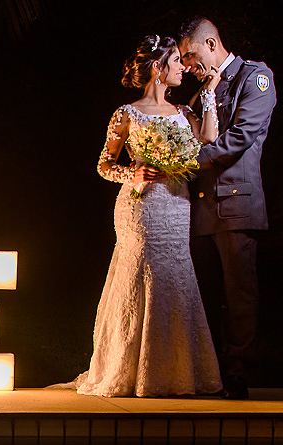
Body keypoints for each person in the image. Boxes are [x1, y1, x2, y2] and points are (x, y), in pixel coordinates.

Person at [73, 35, 224, 397]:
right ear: (158, 68)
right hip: (140, 207)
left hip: (176, 205)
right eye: (176, 62)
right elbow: (104, 164)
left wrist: (209, 93)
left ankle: (175, 372)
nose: (183, 68)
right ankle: (126, 370)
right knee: (140, 275)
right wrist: (133, 173)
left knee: (175, 277)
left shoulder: (184, 113)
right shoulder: (126, 114)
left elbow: (209, 137)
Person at [178, 17, 276, 400]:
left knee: (239, 294)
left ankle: (237, 374)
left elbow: (240, 137)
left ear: (212, 43)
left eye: (190, 55)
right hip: (200, 209)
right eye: (182, 59)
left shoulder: (255, 78)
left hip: (237, 205)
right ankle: (208, 371)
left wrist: (188, 163)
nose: (186, 65)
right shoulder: (198, 93)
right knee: (203, 294)